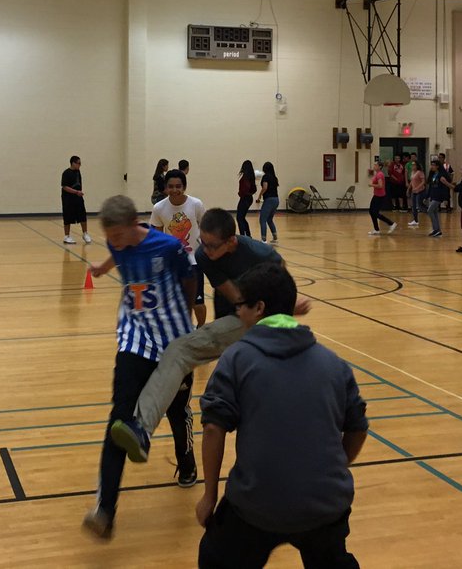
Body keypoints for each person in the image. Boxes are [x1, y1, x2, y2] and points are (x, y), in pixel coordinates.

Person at [195, 262, 369, 568]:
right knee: (329, 555)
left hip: (257, 504)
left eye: (241, 306)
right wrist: (334, 468)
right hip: (326, 503)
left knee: (215, 558)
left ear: (259, 308)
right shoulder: (334, 363)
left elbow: (213, 429)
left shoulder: (236, 358)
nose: (238, 314)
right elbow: (357, 427)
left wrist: (209, 495)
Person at [107, 208, 302, 467]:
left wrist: (285, 306)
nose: (205, 251)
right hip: (241, 315)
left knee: (179, 351)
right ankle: (144, 428)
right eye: (203, 243)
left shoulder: (260, 253)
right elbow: (235, 298)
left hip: (256, 320)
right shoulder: (204, 256)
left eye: (212, 246)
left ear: (231, 241)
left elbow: (275, 289)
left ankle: (142, 428)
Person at [82, 195, 198, 539]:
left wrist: (186, 316)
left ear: (135, 224)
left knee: (177, 409)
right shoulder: (116, 244)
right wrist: (103, 267)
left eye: (117, 236)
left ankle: (186, 461)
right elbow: (117, 255)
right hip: (134, 337)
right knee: (119, 420)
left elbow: (191, 279)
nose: (113, 243)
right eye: (110, 238)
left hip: (174, 340)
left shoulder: (169, 247)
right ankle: (105, 511)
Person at [151, 169, 206, 326]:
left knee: (198, 302)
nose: (174, 190)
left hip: (194, 261)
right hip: (172, 262)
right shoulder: (159, 208)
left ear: (184, 187)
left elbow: (206, 227)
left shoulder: (196, 204)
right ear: (166, 188)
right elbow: (157, 238)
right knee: (175, 301)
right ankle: (182, 329)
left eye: (178, 186)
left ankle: (201, 330)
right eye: (171, 186)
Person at [61, 155, 91, 245]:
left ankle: (85, 233)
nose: (80, 165)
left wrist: (79, 193)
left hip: (78, 197)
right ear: (73, 163)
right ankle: (67, 236)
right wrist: (76, 192)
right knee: (67, 216)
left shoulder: (78, 172)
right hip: (68, 199)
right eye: (78, 163)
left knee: (82, 214)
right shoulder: (66, 173)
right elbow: (65, 187)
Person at [366, 158, 397, 237]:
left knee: (374, 212)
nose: (374, 166)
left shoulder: (380, 174)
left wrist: (371, 185)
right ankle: (376, 229)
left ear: (380, 167)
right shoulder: (377, 174)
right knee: (371, 212)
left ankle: (391, 223)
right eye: (374, 165)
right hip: (376, 195)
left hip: (380, 196)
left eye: (376, 165)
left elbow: (380, 186)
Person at [256, 161, 280, 243]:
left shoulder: (265, 177)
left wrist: (259, 196)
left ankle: (263, 239)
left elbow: (265, 187)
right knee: (269, 219)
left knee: (262, 219)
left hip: (269, 200)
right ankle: (275, 236)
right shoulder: (274, 177)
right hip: (276, 200)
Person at [425, 158, 449, 238]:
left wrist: (446, 198)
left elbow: (445, 187)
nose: (431, 166)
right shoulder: (433, 175)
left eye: (433, 165)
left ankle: (437, 229)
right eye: (431, 165)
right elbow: (430, 187)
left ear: (438, 166)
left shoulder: (441, 175)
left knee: (430, 210)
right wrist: (427, 196)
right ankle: (437, 230)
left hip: (439, 196)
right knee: (434, 212)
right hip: (433, 195)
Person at [235, 160, 256, 236]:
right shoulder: (251, 177)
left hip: (245, 198)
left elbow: (245, 188)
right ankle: (248, 234)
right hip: (249, 198)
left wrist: (241, 193)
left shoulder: (245, 178)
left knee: (239, 218)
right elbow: (254, 189)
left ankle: (243, 235)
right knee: (242, 218)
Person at [407, 159, 426, 229]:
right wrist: (409, 189)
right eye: (412, 165)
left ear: (417, 165)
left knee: (419, 205)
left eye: (414, 165)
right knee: (413, 206)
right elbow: (411, 181)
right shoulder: (412, 172)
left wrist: (418, 187)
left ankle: (428, 211)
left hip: (420, 191)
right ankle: (415, 220)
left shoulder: (420, 172)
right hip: (414, 191)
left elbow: (423, 181)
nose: (413, 166)